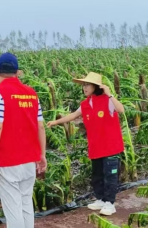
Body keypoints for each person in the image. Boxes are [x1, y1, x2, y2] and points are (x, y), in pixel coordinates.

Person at [0, 52, 47, 228]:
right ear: (17, 72)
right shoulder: (31, 93)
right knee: (25, 204)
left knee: (13, 209)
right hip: (29, 159)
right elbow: (40, 125)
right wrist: (42, 155)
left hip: (8, 160)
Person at [47, 72, 125, 216]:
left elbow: (121, 109)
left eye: (87, 85)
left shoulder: (107, 100)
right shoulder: (86, 104)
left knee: (110, 176)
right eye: (83, 85)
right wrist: (56, 122)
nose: (84, 87)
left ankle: (110, 203)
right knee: (97, 175)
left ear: (96, 86)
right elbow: (73, 115)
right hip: (96, 147)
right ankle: (101, 199)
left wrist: (110, 94)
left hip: (111, 147)